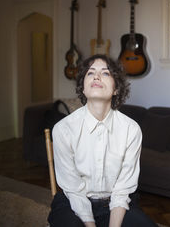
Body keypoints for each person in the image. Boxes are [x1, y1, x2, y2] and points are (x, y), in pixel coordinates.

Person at [48, 54, 157, 227]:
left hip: (116, 203)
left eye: (105, 73)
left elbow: (122, 190)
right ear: (83, 88)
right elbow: (74, 189)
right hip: (73, 201)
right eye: (90, 73)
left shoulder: (131, 129)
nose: (97, 76)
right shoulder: (63, 129)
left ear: (116, 89)